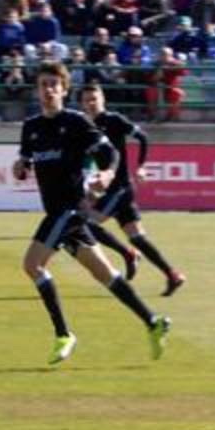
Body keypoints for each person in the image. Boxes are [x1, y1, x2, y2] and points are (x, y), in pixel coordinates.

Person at [12, 63, 172, 365]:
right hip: (64, 215)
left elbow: (109, 152)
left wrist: (108, 174)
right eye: (43, 84)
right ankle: (153, 322)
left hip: (69, 210)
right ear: (37, 89)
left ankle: (63, 334)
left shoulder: (75, 122)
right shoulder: (31, 127)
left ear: (64, 89)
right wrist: (19, 167)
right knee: (106, 275)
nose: (48, 90)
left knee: (32, 265)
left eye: (54, 85)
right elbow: (25, 161)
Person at [77, 83, 187, 296]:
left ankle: (128, 254)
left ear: (103, 100)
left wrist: (142, 166)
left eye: (94, 99)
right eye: (86, 100)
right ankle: (172, 275)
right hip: (111, 189)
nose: (91, 103)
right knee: (137, 237)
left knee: (85, 224)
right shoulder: (84, 127)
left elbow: (142, 137)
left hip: (118, 188)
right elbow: (88, 159)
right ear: (81, 103)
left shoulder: (114, 120)